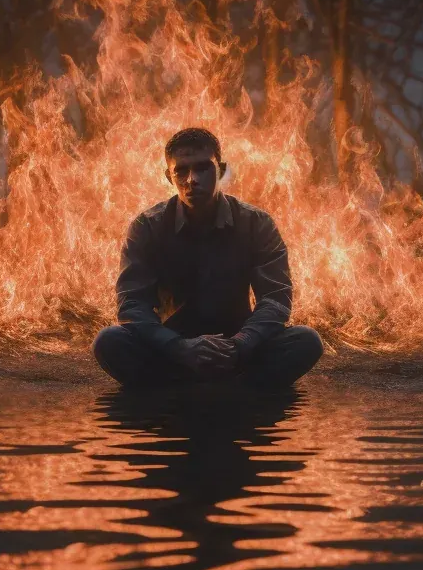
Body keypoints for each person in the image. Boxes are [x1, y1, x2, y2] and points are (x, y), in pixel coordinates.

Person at [92, 127, 324, 387]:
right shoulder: (147, 226)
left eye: (203, 168)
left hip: (237, 349)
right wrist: (179, 348)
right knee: (109, 341)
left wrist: (240, 344)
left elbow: (276, 299)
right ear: (169, 176)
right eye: (181, 170)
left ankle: (219, 390)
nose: (192, 179)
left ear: (221, 169)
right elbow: (132, 305)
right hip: (171, 350)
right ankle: (206, 390)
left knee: (306, 341)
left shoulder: (256, 223)